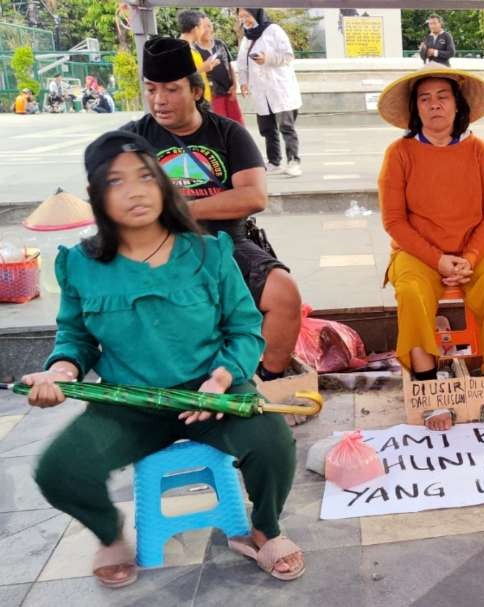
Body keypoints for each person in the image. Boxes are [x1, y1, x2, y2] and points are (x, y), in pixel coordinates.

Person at [25, 130, 304, 588]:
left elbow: (244, 329)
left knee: (274, 443)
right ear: (96, 196)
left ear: (163, 184)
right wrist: (62, 371)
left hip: (212, 394)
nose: (135, 191)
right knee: (58, 470)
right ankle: (110, 533)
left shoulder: (208, 253)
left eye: (145, 176)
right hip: (129, 404)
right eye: (116, 181)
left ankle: (264, 528)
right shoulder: (80, 264)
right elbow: (75, 335)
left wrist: (220, 381)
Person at [122, 36, 302, 384]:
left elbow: (253, 197)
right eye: (151, 89)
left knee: (284, 292)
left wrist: (181, 209)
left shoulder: (228, 133)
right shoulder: (131, 139)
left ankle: (267, 380)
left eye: (171, 89)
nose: (159, 100)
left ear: (195, 91)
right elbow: (116, 201)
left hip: (226, 242)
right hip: (158, 248)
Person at [377, 66, 484, 431]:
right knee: (411, 292)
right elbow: (394, 221)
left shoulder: (478, 150)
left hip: (473, 250)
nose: (434, 106)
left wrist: (471, 257)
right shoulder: (399, 153)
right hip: (416, 253)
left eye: (442, 97)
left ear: (457, 105)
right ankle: (429, 385)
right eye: (425, 99)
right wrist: (438, 258)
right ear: (415, 109)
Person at [237, 7, 303, 178]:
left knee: (286, 127)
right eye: (241, 17)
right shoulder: (246, 37)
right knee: (267, 128)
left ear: (256, 14)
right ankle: (274, 161)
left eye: (247, 15)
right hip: (260, 89)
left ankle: (294, 161)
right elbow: (242, 61)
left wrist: (268, 59)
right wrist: (243, 82)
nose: (245, 20)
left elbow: (288, 56)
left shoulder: (273, 30)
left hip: (279, 88)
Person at [197, 13, 245, 124]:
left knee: (237, 124)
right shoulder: (194, 49)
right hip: (212, 95)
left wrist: (234, 85)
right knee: (220, 125)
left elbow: (229, 65)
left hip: (228, 91)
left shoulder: (220, 44)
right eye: (204, 27)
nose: (208, 29)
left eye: (209, 25)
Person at [177, 10, 217, 105]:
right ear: (195, 29)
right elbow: (180, 76)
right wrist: (202, 68)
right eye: (202, 27)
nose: (204, 31)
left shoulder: (191, 47)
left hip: (202, 98)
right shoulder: (179, 49)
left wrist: (206, 66)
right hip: (194, 101)